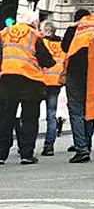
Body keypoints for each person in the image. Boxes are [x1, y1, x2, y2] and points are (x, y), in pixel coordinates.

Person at [0, 11, 55, 165]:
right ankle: (26, 154)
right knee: (29, 118)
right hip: (30, 80)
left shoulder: (5, 32)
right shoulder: (34, 35)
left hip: (7, 78)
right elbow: (46, 59)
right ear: (34, 23)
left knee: (5, 117)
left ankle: (1, 153)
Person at [61, 9, 94, 162]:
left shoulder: (73, 29)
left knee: (76, 111)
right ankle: (87, 144)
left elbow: (64, 47)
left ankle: (81, 148)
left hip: (75, 72)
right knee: (90, 110)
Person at [40, 21, 66, 157]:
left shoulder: (42, 42)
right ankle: (49, 145)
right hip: (55, 83)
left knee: (31, 114)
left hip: (41, 81)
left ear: (47, 31)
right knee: (52, 114)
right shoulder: (62, 46)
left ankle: (27, 145)